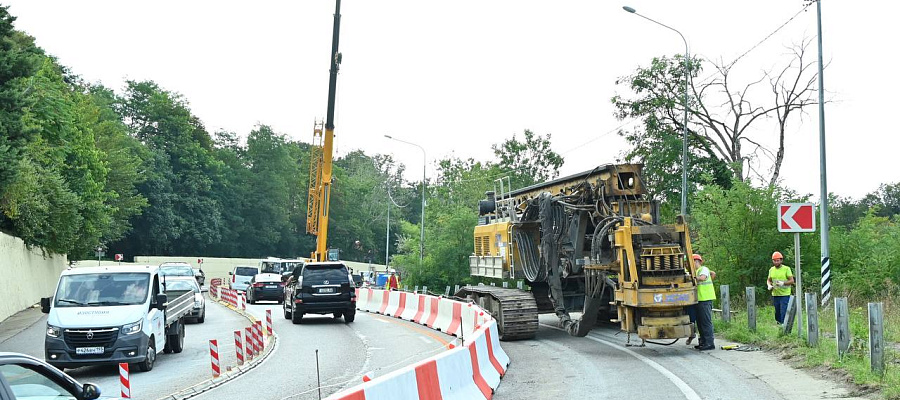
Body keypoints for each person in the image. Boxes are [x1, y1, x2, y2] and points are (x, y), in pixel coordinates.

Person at [693, 254, 716, 351]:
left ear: (696, 261)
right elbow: (713, 273)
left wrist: (693, 277)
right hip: (699, 300)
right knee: (700, 323)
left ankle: (709, 343)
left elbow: (702, 278)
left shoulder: (703, 269)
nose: (686, 264)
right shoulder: (696, 271)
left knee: (706, 322)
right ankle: (703, 342)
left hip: (705, 299)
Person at [767, 251, 795, 324]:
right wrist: (769, 285)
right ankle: (779, 324)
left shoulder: (786, 269)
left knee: (784, 311)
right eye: (774, 261)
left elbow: (792, 281)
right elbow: (769, 280)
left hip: (785, 294)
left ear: (781, 260)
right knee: (777, 312)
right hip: (775, 294)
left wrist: (783, 283)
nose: (776, 262)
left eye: (777, 260)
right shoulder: (771, 269)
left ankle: (784, 327)